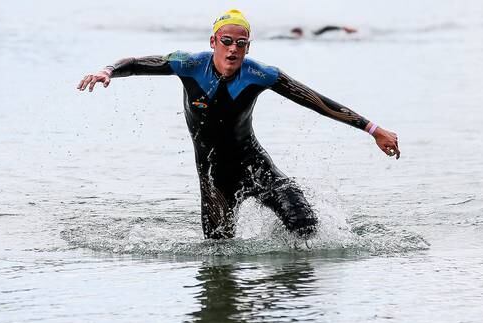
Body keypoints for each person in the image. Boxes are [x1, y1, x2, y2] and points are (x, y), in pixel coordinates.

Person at [77, 9, 400, 240]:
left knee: (307, 228)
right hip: (214, 177)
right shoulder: (189, 65)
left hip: (254, 165)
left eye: (241, 43)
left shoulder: (260, 74)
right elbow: (136, 64)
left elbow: (316, 101)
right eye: (227, 41)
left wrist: (373, 129)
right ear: (213, 41)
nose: (233, 49)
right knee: (219, 255)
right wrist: (107, 71)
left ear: (248, 47)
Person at [271, 25, 358, 40]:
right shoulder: (292, 38)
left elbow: (326, 28)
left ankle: (345, 29)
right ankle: (345, 29)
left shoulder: (312, 35)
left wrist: (342, 28)